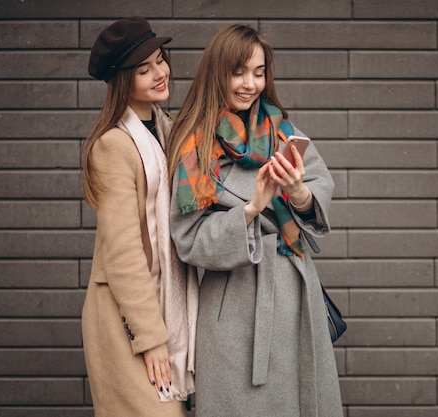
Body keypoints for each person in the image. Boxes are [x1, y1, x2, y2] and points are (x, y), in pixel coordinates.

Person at [166, 24, 343, 417]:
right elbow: (188, 239)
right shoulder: (195, 147)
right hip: (235, 309)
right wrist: (249, 210)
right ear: (218, 73)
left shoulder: (282, 131)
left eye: (259, 72)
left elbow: (318, 189)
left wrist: (298, 192)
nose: (250, 84)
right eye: (239, 72)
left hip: (295, 293)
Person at [80, 16, 198, 417]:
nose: (159, 73)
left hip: (163, 306)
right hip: (126, 317)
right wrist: (150, 338)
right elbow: (123, 252)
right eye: (143, 69)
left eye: (160, 60)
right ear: (122, 80)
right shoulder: (113, 145)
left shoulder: (168, 131)